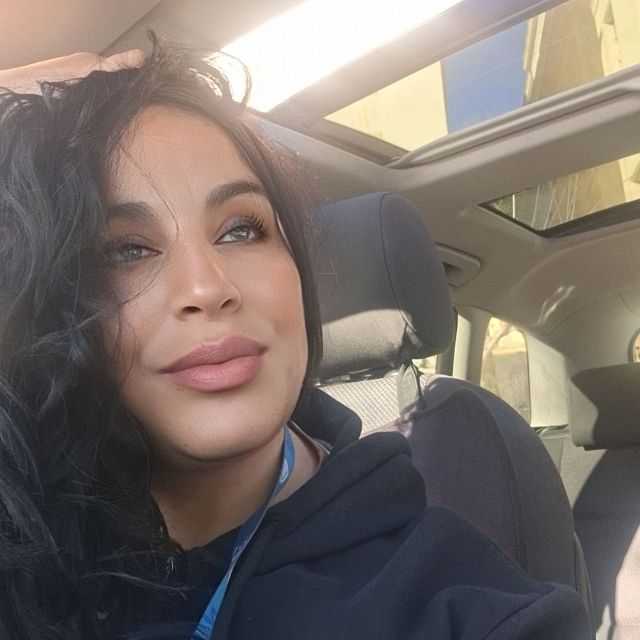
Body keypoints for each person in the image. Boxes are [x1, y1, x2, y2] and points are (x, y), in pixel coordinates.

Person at [0, 40, 590, 640]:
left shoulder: (465, 609)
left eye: (240, 229)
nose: (208, 287)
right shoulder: (31, 519)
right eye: (127, 249)